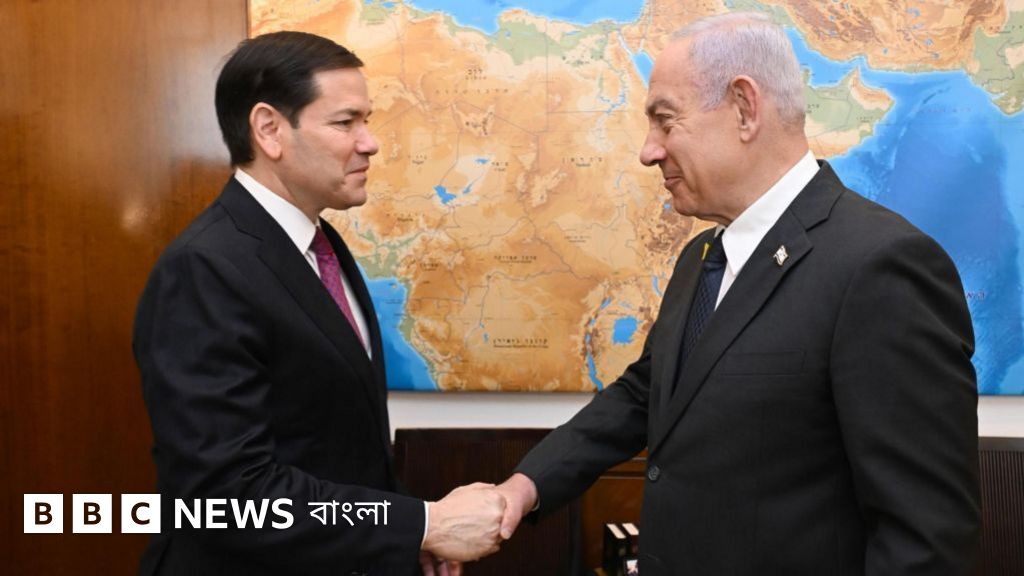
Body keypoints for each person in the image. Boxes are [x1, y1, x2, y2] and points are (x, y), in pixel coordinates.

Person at [494, 12, 981, 575]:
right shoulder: (702, 259)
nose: (649, 151)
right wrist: (523, 488)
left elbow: (926, 539)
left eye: (665, 121)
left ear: (745, 108)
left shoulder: (880, 267)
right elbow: (647, 393)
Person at [133, 31, 502, 575]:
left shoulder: (320, 244)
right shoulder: (204, 269)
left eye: (366, 121)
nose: (370, 143)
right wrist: (423, 524)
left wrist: (401, 541)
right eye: (345, 122)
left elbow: (338, 449)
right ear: (269, 130)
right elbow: (230, 495)